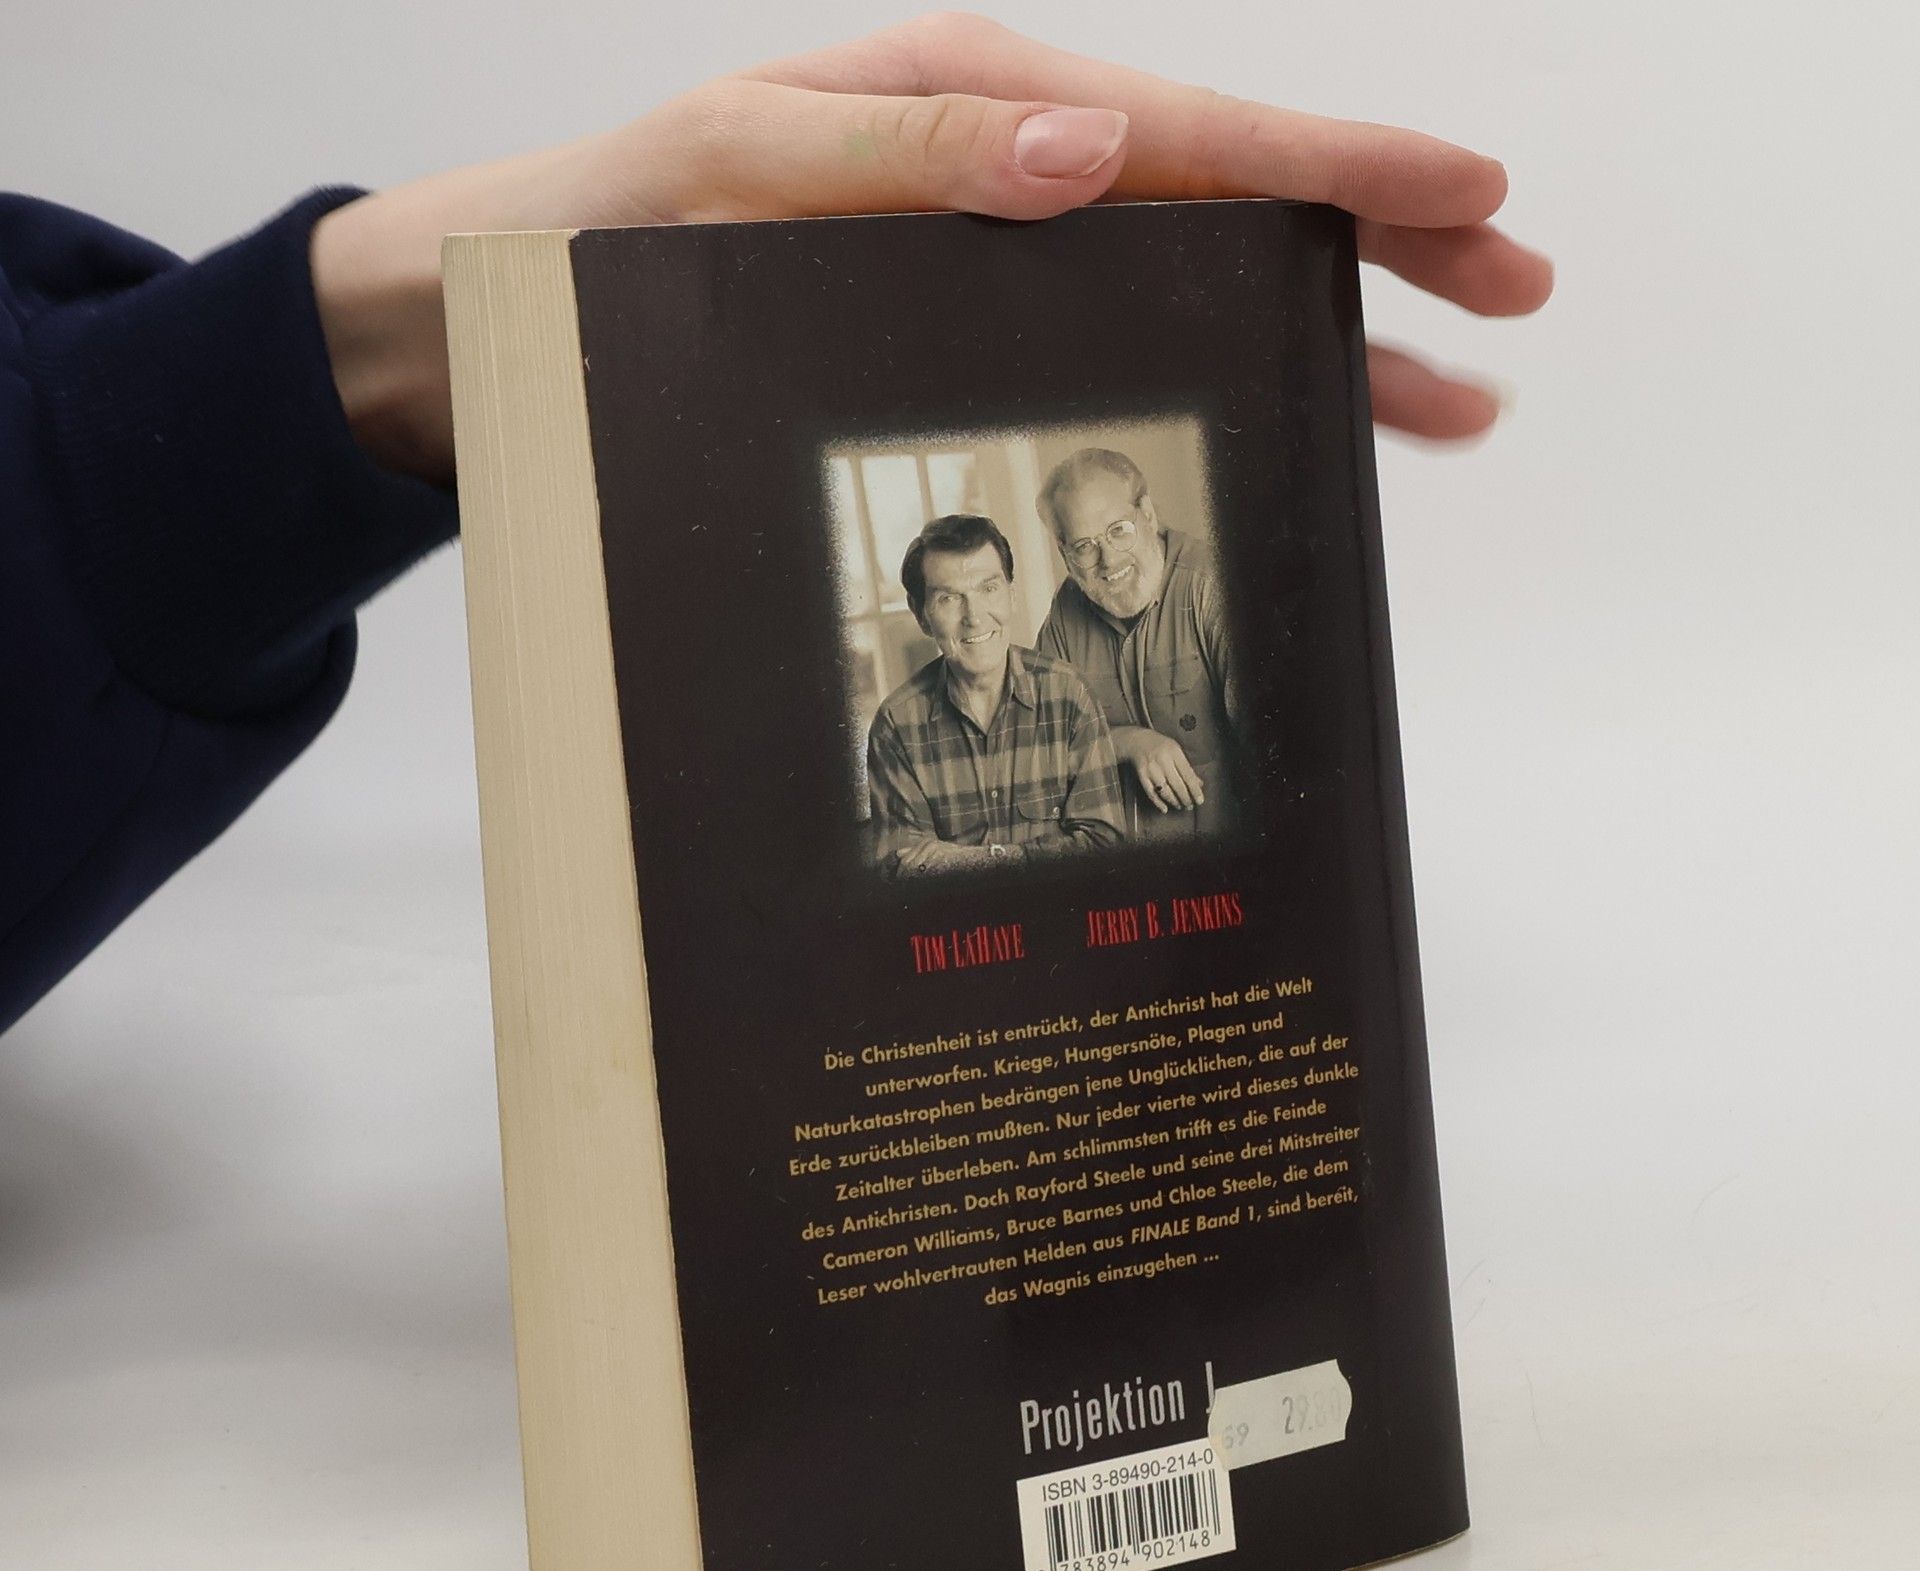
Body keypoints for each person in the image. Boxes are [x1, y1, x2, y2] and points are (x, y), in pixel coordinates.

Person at [0, 14, 1552, 1030]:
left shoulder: (1107, 656)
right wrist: (342, 368)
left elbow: (1121, 816)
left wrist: (334, 365)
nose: (999, 611)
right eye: (967, 593)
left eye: (1035, 574)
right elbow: (912, 851)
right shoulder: (909, 722)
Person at [867, 515, 1124, 877]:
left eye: (988, 589)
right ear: (921, 615)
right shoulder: (896, 725)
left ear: (1011, 594)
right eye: (949, 598)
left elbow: (1104, 846)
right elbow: (905, 870)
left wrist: (980, 859)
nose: (974, 617)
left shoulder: (1068, 695)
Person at [1035, 447, 1239, 843]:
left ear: (1147, 514)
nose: (1108, 561)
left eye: (1118, 530)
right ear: (1064, 553)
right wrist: (1127, 742)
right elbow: (1035, 749)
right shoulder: (1064, 613)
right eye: (1084, 546)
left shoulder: (1213, 586)